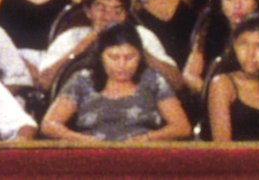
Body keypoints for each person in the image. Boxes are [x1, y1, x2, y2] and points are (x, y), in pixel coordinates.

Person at [38, 21, 190, 141]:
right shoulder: (82, 80)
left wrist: (148, 138)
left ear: (140, 55)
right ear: (100, 56)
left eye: (130, 57)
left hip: (141, 156)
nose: (122, 65)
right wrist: (82, 140)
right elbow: (49, 124)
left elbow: (182, 127)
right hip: (92, 156)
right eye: (114, 57)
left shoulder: (153, 80)